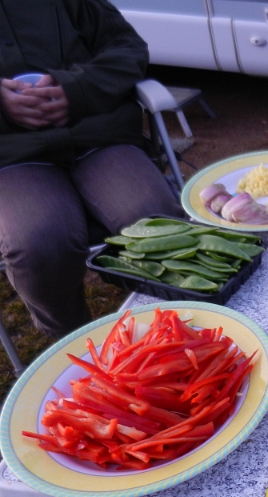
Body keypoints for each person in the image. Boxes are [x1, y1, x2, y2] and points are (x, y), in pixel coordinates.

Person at [0, 0, 183, 339]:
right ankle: (78, 345)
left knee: (156, 221)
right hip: (14, 157)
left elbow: (127, 48)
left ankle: (170, 330)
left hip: (97, 134)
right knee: (39, 243)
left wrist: (76, 89)